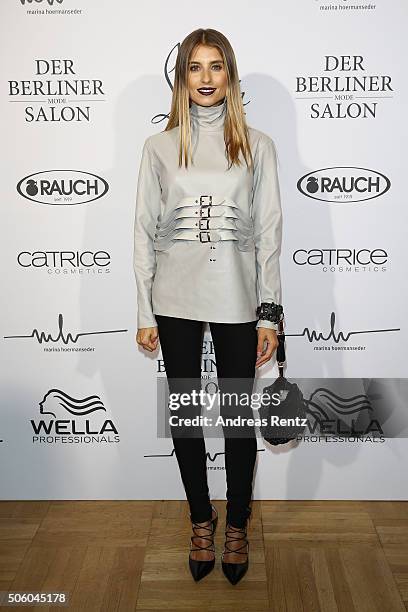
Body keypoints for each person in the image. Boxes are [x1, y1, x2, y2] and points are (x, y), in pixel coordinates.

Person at [133, 28, 283, 585]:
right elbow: (142, 231)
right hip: (173, 298)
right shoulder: (157, 148)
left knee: (239, 420)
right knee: (187, 418)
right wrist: (145, 311)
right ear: (181, 78)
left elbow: (270, 233)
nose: (204, 78)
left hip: (239, 299)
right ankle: (201, 519)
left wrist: (270, 313)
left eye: (215, 66)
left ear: (230, 75)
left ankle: (237, 523)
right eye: (194, 67)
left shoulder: (258, 145)